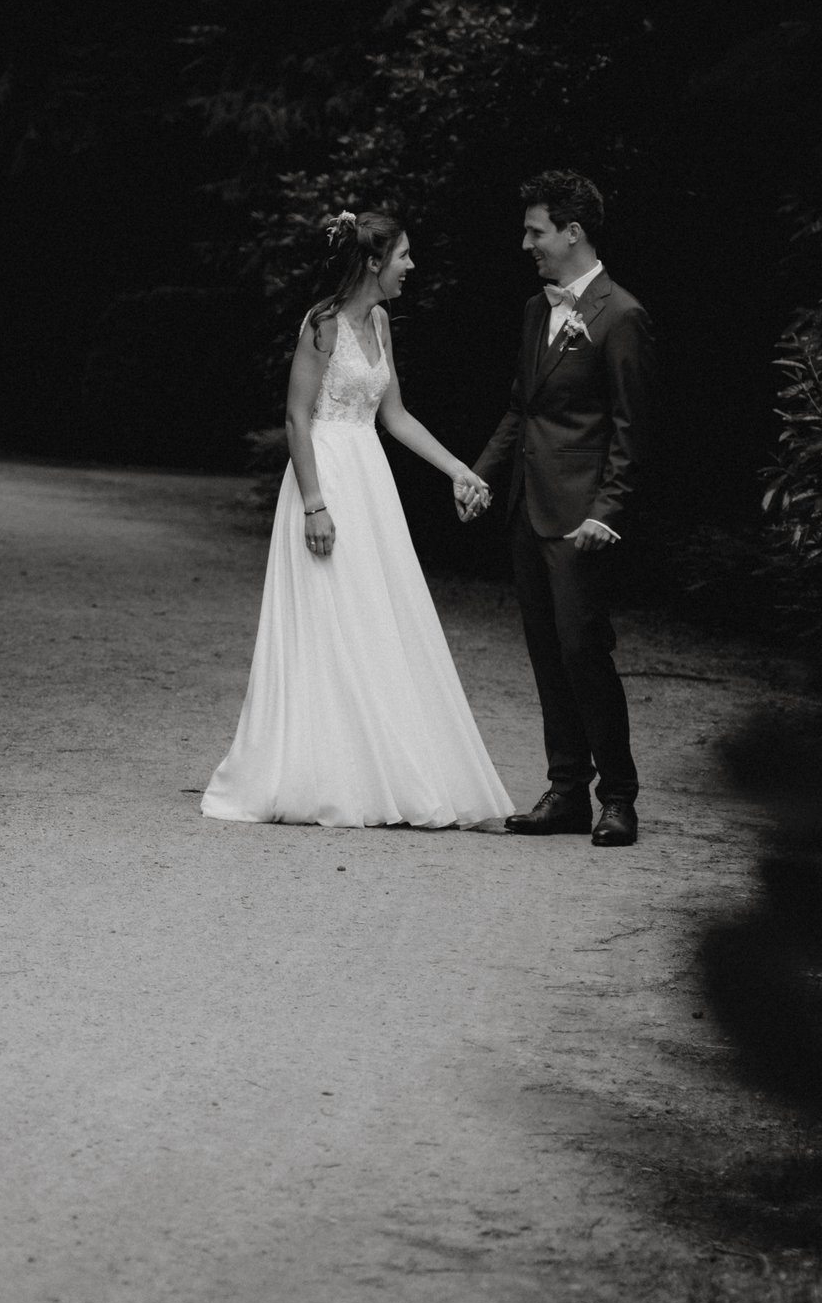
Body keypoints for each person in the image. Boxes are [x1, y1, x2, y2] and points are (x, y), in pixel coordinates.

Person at [201, 210, 514, 828]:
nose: (411, 266)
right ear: (373, 262)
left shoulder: (379, 321)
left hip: (370, 480)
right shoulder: (321, 325)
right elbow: (296, 418)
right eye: (404, 256)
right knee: (328, 619)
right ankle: (323, 774)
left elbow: (394, 415)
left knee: (377, 616)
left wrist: (459, 470)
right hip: (326, 476)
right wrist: (315, 504)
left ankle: (382, 770)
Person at [462, 171, 650, 847]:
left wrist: (609, 508)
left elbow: (632, 428)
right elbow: (523, 406)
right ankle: (566, 790)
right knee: (546, 651)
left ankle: (619, 797)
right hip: (526, 510)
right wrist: (478, 473)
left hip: (582, 521)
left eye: (535, 231)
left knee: (583, 650)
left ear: (572, 232)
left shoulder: (621, 315)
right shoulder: (536, 310)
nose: (526, 243)